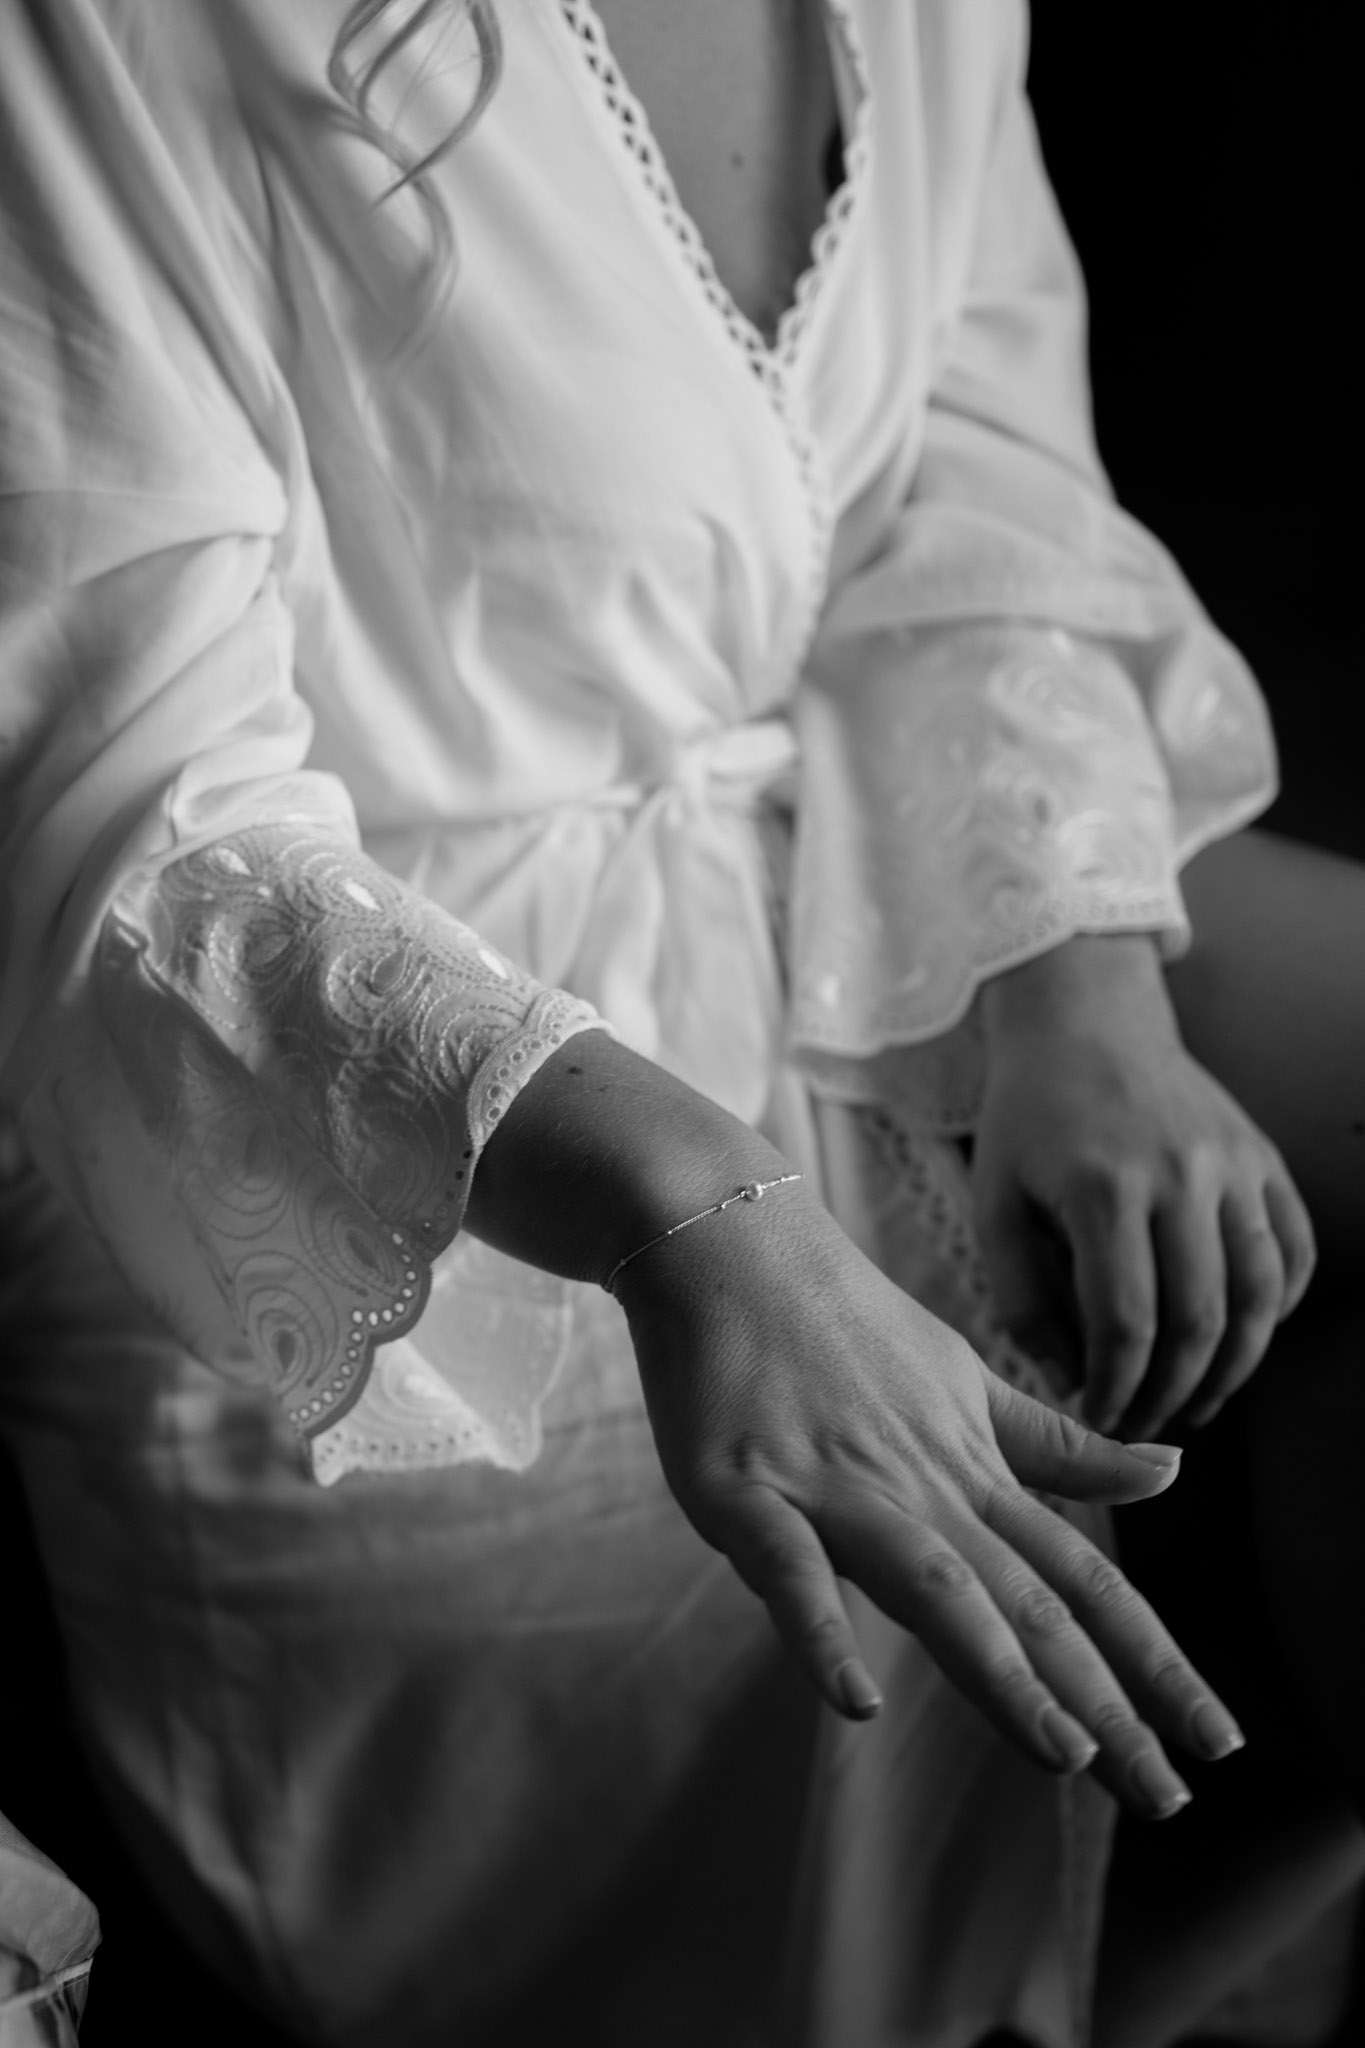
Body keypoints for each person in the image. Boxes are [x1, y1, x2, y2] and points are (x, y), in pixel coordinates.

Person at [0, 2, 1360, 2044]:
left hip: (836, 805)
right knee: (820, 1704)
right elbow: (135, 829)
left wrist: (1074, 981)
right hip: (335, 1091)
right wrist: (692, 1206)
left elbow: (975, 441)